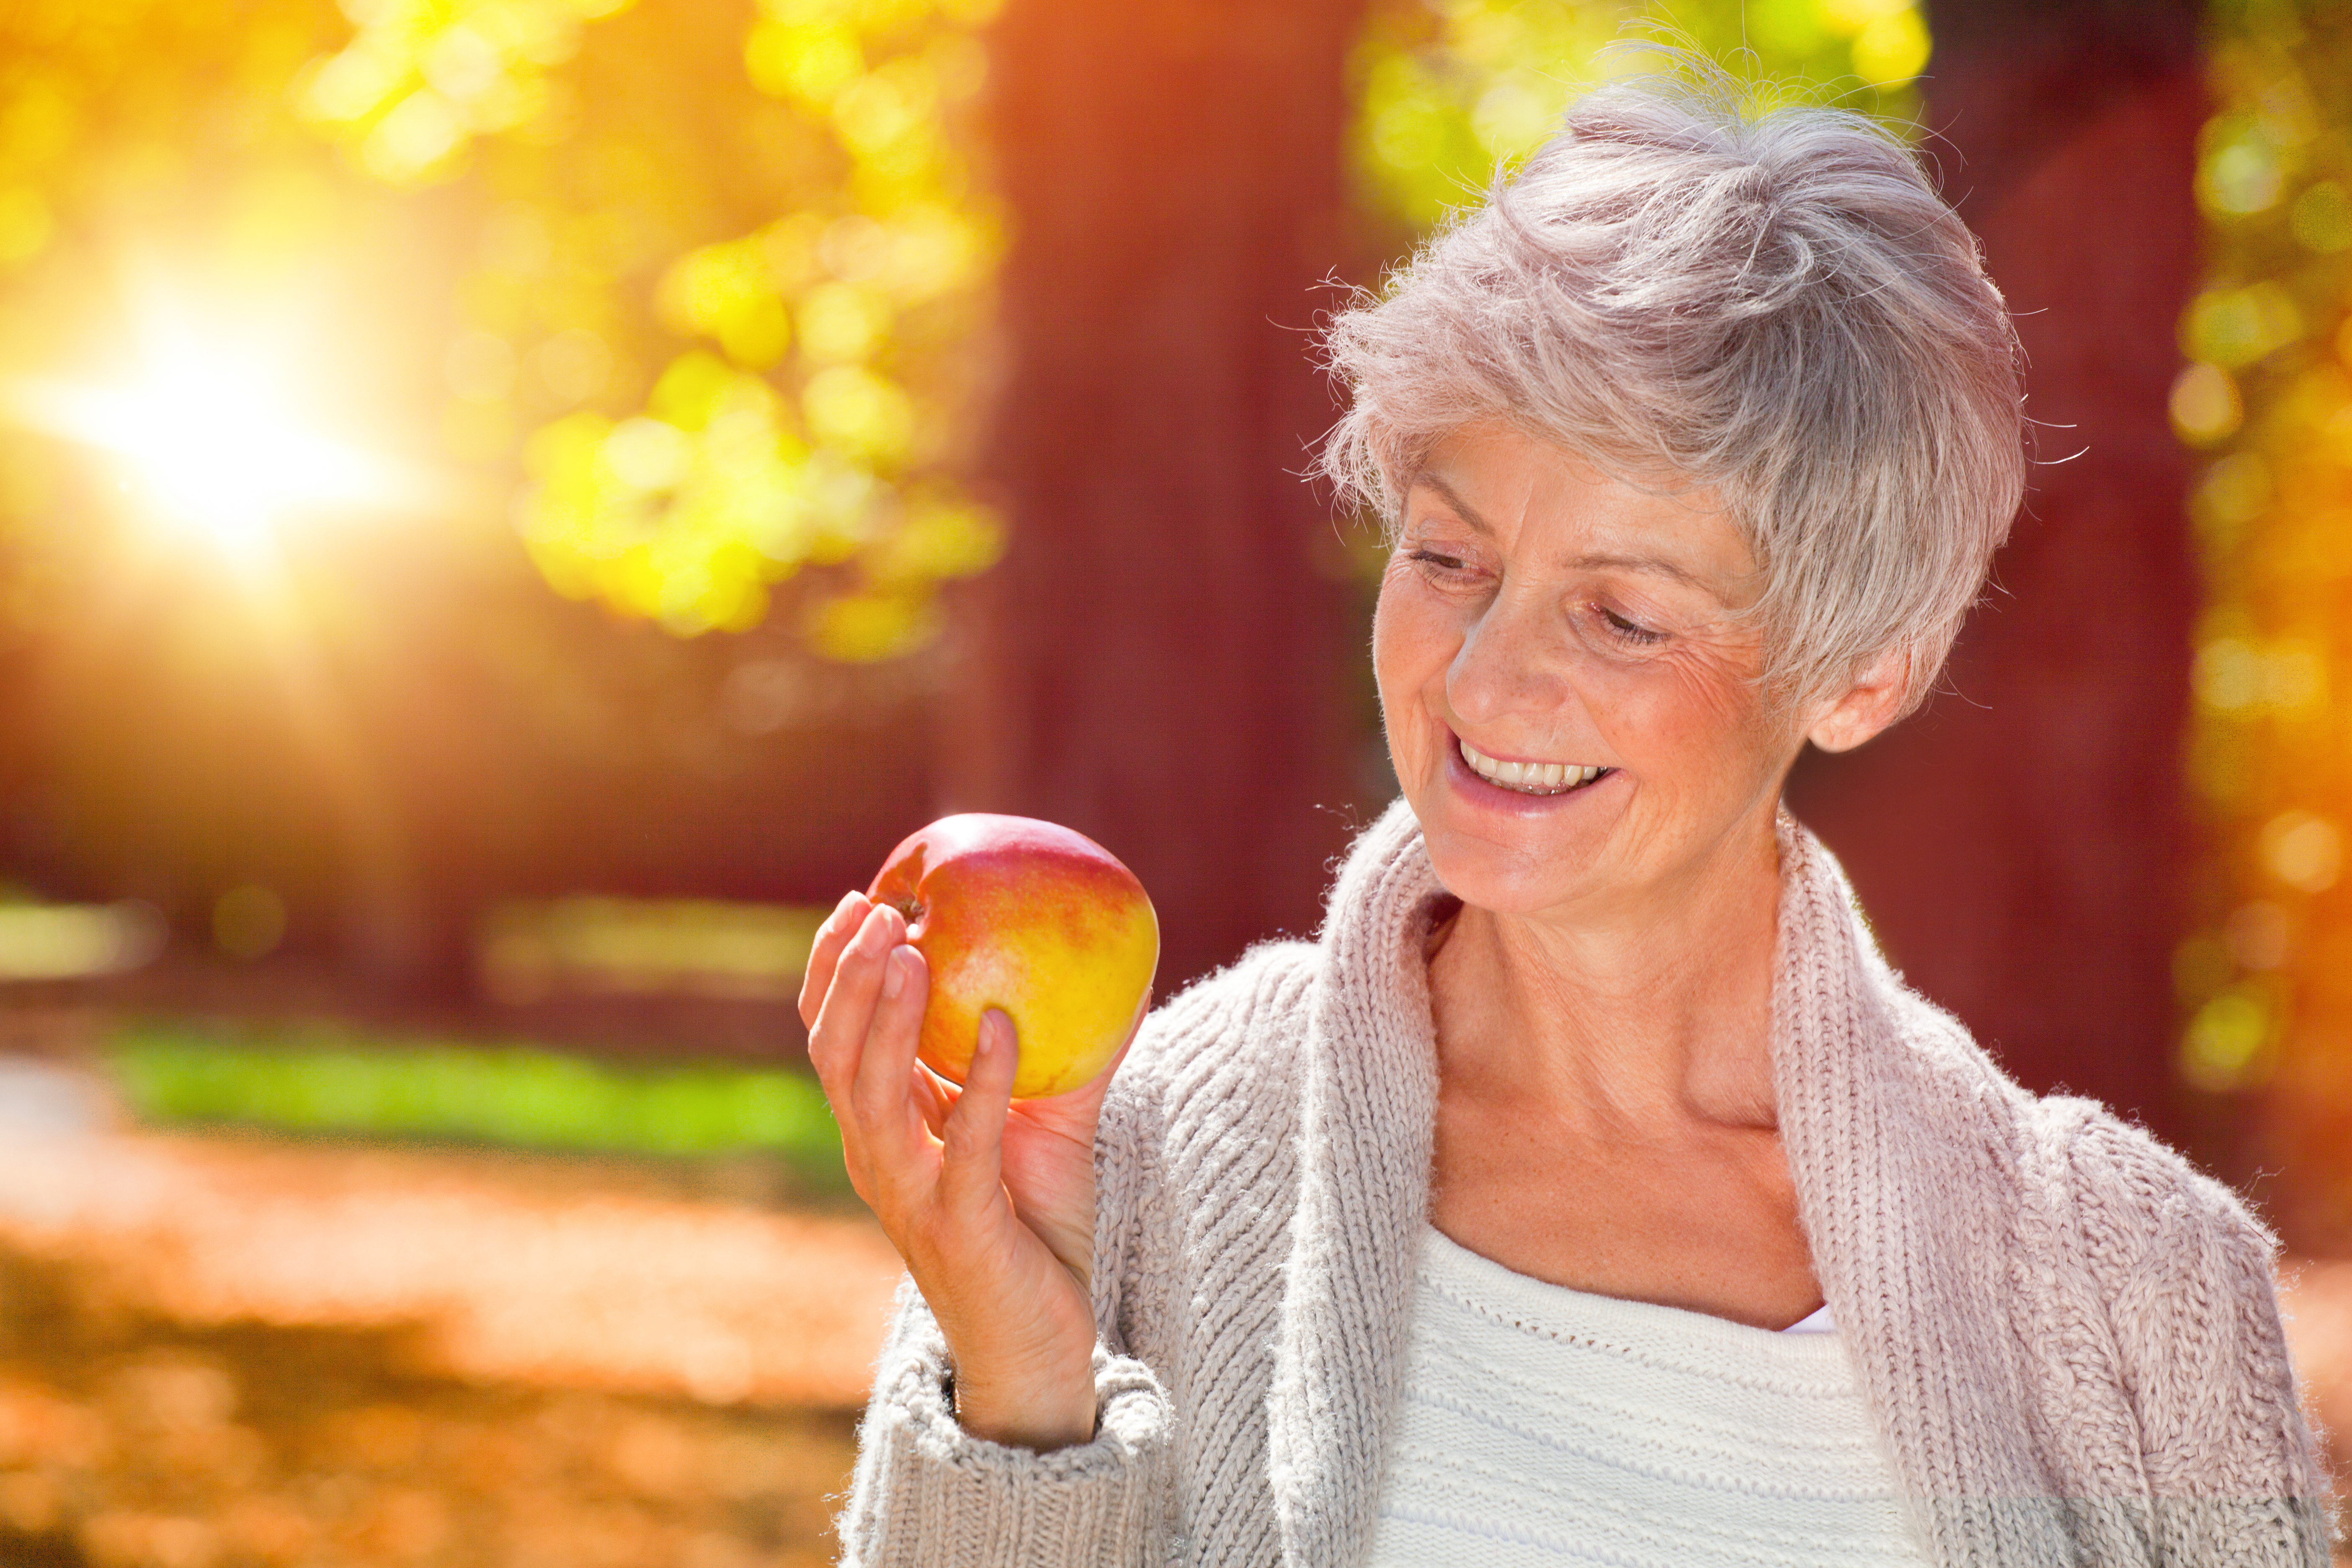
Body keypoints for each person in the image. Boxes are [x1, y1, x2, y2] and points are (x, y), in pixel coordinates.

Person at [798, 70, 2332, 1568]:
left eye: (1619, 618)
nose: (1486, 680)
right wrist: (1021, 1393)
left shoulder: (2145, 1295)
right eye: (1452, 558)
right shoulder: (1133, 1162)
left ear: (1866, 671)